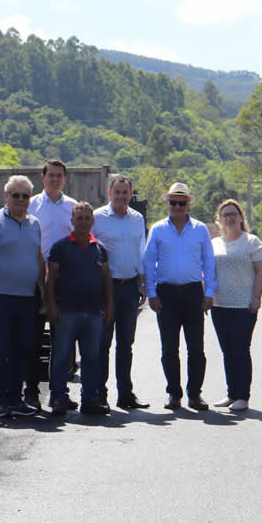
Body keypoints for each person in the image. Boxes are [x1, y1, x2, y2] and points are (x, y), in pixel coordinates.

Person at [0, 175, 44, 419]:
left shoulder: (35, 224)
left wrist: (43, 292)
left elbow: (38, 258)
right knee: (0, 349)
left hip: (26, 298)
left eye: (25, 195)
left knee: (21, 350)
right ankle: (0, 399)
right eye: (16, 195)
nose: (21, 200)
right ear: (7, 196)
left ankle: (16, 398)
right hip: (0, 297)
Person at [143, 182, 216, 410]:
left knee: (196, 348)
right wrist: (152, 293)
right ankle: (174, 393)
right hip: (166, 293)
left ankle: (195, 394)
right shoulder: (158, 229)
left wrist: (209, 292)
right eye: (173, 202)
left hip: (193, 292)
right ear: (167, 203)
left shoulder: (200, 229)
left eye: (181, 202)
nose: (177, 206)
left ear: (188, 204)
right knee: (169, 348)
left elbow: (209, 262)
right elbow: (148, 262)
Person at [46, 202, 113, 416]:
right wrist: (52, 307)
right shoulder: (60, 247)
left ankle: (90, 399)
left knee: (92, 357)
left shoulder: (100, 249)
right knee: (62, 356)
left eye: (87, 218)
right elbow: (50, 280)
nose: (83, 221)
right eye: (79, 218)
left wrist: (110, 306)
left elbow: (106, 280)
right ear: (72, 221)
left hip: (93, 313)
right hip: (67, 312)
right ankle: (58, 397)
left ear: (93, 221)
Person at [92, 173, 149, 409]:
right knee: (103, 343)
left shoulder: (137, 218)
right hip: (106, 289)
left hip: (129, 288)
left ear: (130, 194)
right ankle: (100, 394)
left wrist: (143, 282)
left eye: (125, 192)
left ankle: (125, 394)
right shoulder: (97, 217)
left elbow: (141, 250)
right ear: (110, 193)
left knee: (126, 344)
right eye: (117, 192)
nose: (121, 196)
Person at [25, 159, 77, 409]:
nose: (55, 179)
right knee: (32, 340)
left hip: (65, 284)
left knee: (62, 343)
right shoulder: (31, 205)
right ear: (42, 178)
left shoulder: (73, 207)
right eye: (51, 175)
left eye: (59, 176)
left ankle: (59, 393)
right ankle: (31, 393)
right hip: (34, 281)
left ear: (65, 179)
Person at [210, 199, 262, 411]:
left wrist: (256, 298)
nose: (230, 218)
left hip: (244, 305)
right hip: (219, 305)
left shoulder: (252, 241)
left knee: (241, 349)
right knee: (227, 351)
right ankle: (231, 393)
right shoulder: (215, 243)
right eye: (225, 215)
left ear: (241, 217)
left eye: (233, 214)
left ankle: (243, 395)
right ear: (220, 220)